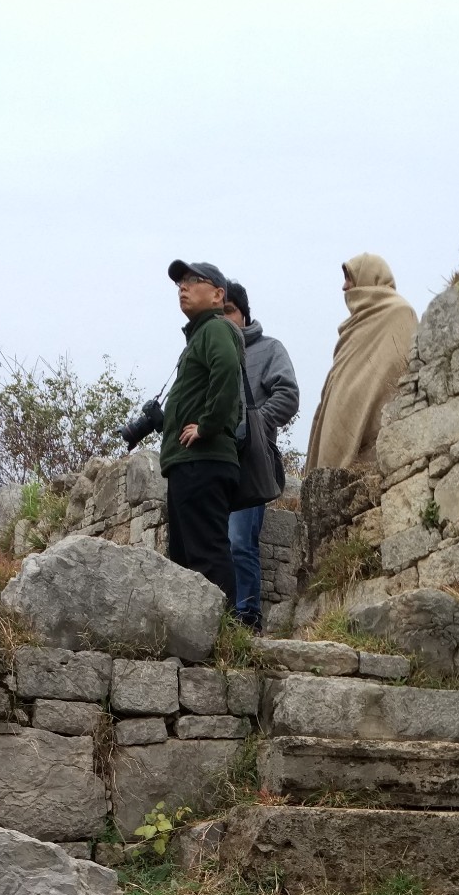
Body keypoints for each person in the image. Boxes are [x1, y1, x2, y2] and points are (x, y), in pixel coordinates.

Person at [124, 259, 243, 601]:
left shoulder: (215, 330)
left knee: (205, 552)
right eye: (180, 283)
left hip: (203, 461)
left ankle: (225, 626)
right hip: (188, 462)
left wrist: (207, 426)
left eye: (193, 280)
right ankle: (202, 627)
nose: (183, 288)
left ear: (218, 294)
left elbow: (226, 371)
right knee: (186, 558)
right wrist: (164, 422)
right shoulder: (199, 337)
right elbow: (199, 397)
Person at [221, 280, 299, 630]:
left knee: (240, 541)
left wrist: (252, 427)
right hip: (213, 462)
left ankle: (247, 619)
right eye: (218, 314)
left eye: (229, 311)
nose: (224, 319)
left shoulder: (269, 349)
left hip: (250, 461)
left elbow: (288, 395)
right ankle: (219, 620)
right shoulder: (209, 354)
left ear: (244, 313)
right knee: (213, 543)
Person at [304, 254, 418, 473]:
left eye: (349, 278)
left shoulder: (400, 313)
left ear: (369, 277)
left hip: (383, 440)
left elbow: (396, 369)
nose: (344, 286)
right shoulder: (354, 328)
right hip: (344, 432)